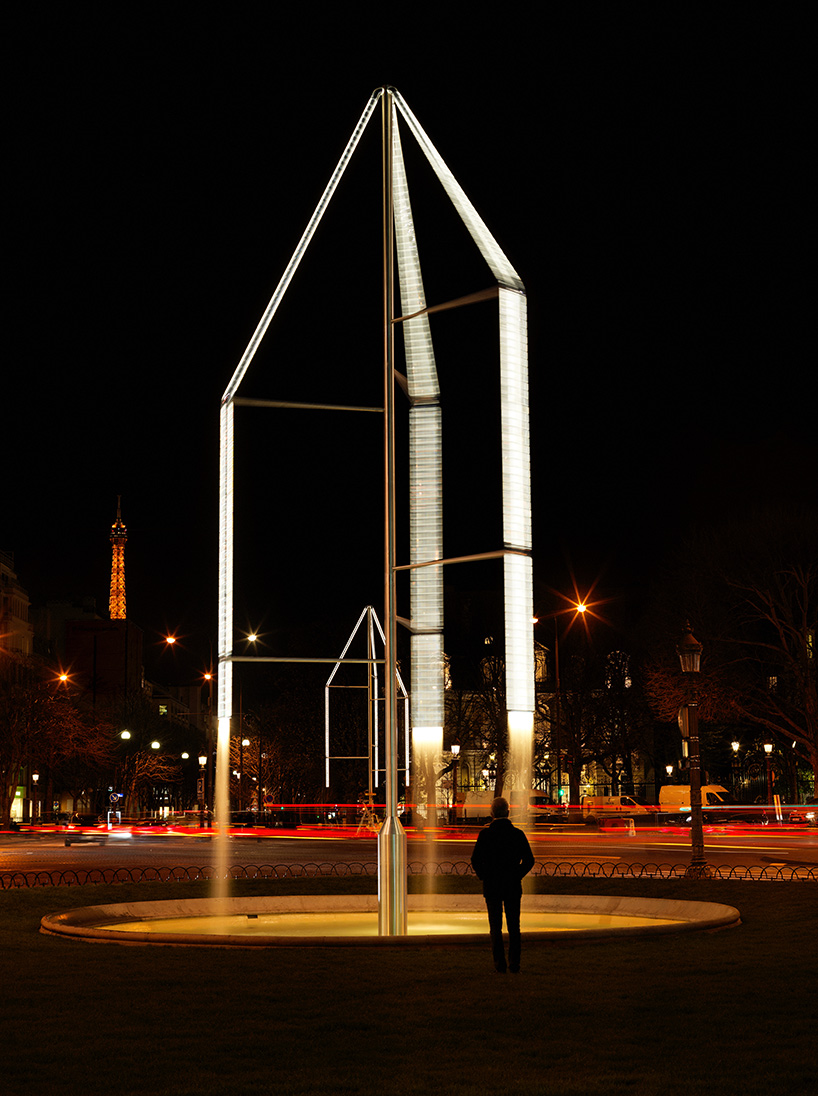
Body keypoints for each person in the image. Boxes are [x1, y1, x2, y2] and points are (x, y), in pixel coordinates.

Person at [471, 796, 535, 973]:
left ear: (492, 813)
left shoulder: (485, 835)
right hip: (512, 884)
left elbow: (475, 860)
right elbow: (529, 860)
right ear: (508, 812)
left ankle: (499, 964)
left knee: (495, 927)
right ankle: (515, 963)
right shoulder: (517, 834)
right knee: (514, 926)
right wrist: (517, 874)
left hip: (492, 885)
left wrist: (485, 876)